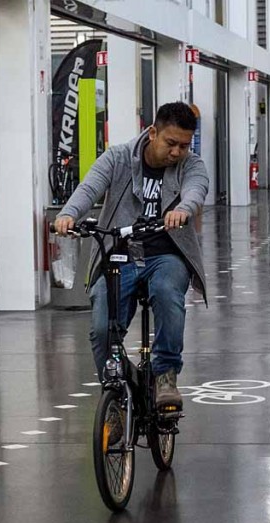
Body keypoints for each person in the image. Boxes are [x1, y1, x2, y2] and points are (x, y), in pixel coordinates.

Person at [55, 102, 209, 411]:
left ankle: (165, 374)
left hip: (166, 253)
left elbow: (197, 189)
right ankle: (117, 392)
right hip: (119, 254)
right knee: (101, 329)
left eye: (184, 145)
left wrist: (183, 209)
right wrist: (68, 214)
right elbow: (89, 188)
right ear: (153, 133)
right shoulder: (119, 158)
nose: (177, 152)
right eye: (171, 143)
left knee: (167, 292)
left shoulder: (191, 164)